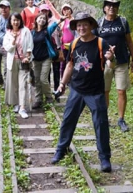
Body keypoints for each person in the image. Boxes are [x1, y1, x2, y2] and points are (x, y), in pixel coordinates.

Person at [51, 12, 115, 173]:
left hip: (95, 91)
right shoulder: (74, 44)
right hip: (77, 90)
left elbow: (109, 64)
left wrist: (111, 58)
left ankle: (104, 158)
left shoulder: (101, 43)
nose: (81, 27)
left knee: (100, 124)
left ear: (91, 26)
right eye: (78, 25)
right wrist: (62, 84)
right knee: (68, 120)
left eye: (84, 24)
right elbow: (70, 65)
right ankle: (61, 149)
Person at [95, 0, 133, 132]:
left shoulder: (123, 22)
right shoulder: (100, 23)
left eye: (114, 6)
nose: (112, 8)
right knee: (105, 91)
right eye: (109, 6)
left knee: (121, 90)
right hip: (105, 63)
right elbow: (94, 42)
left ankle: (121, 119)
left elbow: (129, 42)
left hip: (122, 61)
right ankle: (104, 118)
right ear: (104, 8)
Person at [2, 13, 33, 119]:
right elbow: (8, 49)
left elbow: (30, 46)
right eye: (14, 20)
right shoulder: (8, 34)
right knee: (13, 83)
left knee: (22, 84)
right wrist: (14, 40)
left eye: (18, 20)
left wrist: (27, 57)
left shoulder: (26, 31)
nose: (16, 22)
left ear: (20, 21)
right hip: (12, 61)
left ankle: (22, 107)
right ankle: (16, 104)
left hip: (23, 61)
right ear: (10, 21)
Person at [31, 12, 59, 108]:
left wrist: (62, 19)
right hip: (35, 59)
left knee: (43, 79)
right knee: (37, 80)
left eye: (44, 19)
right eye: (40, 18)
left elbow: (55, 25)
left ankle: (48, 97)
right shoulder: (32, 32)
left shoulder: (47, 30)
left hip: (46, 58)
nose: (42, 20)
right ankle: (38, 99)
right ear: (36, 20)